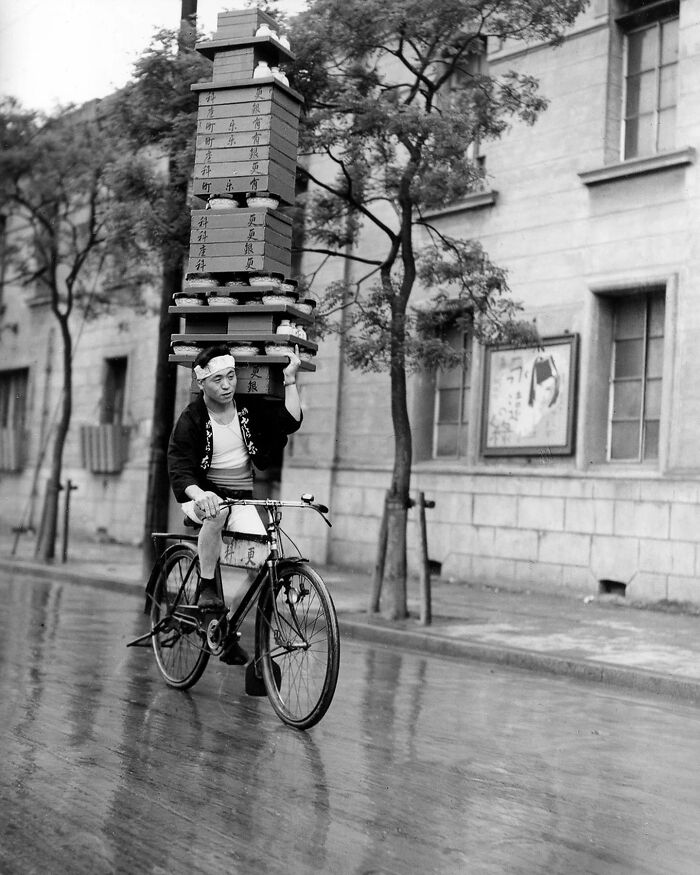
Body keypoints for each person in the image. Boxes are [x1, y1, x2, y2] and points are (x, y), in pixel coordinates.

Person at [168, 344, 302, 654]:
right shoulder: (193, 418)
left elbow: (289, 421)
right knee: (215, 513)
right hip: (201, 494)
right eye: (218, 380)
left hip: (239, 498)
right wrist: (201, 495)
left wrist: (291, 380)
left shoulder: (246, 410)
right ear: (202, 383)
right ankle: (206, 586)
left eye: (231, 377)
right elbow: (179, 466)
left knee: (261, 569)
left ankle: (225, 630)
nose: (227, 385)